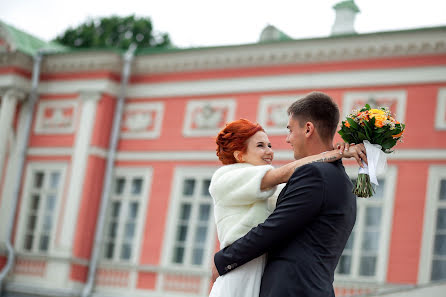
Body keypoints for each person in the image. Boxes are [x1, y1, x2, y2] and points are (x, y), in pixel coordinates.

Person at [209, 93, 365, 297]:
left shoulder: (315, 173)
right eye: (260, 145)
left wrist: (222, 260)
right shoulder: (341, 179)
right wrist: (334, 154)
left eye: (290, 130)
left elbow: (273, 228)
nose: (287, 139)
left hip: (290, 288)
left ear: (308, 129)